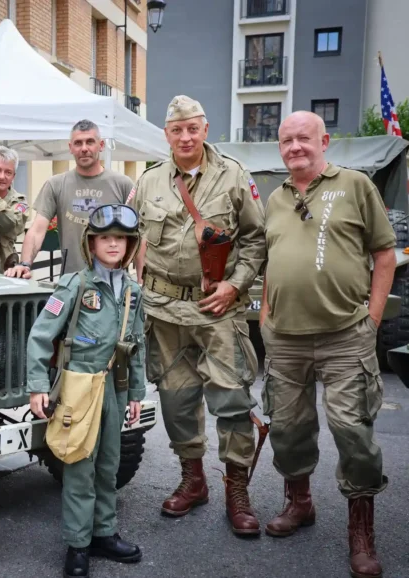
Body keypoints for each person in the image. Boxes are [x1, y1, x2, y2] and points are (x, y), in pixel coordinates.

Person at [259, 111, 395, 578]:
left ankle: (361, 534)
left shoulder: (356, 185)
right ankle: (300, 504)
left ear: (324, 141)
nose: (295, 147)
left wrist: (372, 319)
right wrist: (264, 318)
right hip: (285, 339)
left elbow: (384, 254)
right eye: (286, 141)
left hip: (345, 336)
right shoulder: (274, 199)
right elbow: (267, 262)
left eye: (303, 139)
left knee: (353, 433)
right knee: (288, 430)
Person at [128, 95, 266, 535]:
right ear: (166, 134)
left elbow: (256, 239)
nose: (185, 137)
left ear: (205, 129)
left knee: (232, 400)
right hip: (164, 310)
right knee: (175, 398)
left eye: (192, 128)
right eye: (176, 130)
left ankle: (236, 489)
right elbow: (130, 239)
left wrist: (235, 285)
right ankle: (193, 479)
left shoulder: (234, 176)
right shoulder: (148, 181)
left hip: (217, 309)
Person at [27, 203, 146, 578]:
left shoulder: (131, 291)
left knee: (109, 465)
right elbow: (40, 336)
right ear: (91, 243)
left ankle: (103, 533)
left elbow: (136, 344)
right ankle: (78, 544)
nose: (114, 245)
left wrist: (137, 395)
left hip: (116, 387)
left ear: (130, 245)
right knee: (79, 464)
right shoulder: (75, 285)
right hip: (79, 385)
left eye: (121, 239)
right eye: (105, 238)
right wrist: (36, 387)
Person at [5, 119, 133, 279]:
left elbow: (140, 234)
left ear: (100, 146)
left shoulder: (122, 184)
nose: (84, 148)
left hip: (113, 285)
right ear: (70, 148)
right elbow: (37, 230)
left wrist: (141, 278)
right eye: (78, 143)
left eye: (90, 142)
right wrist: (25, 264)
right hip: (71, 284)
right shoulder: (56, 184)